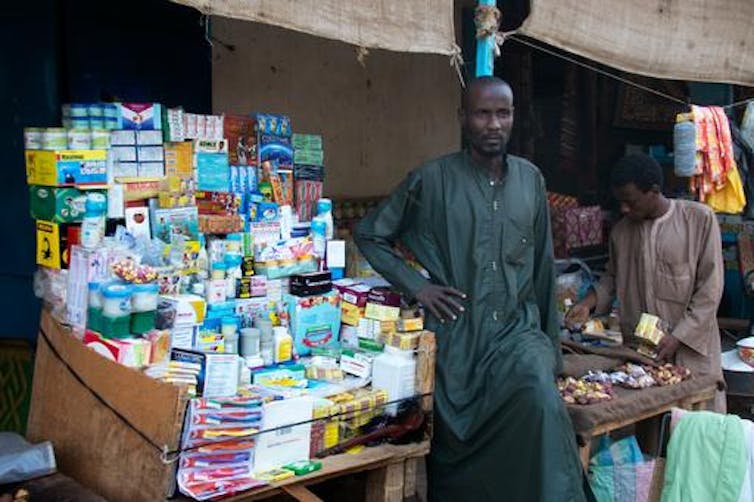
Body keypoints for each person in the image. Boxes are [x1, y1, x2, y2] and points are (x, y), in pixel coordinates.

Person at [354, 77, 588, 501]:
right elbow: (370, 234)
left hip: (517, 333)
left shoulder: (530, 180)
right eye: (482, 114)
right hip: (458, 336)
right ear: (463, 118)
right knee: (454, 444)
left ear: (513, 117)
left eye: (503, 113)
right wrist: (419, 288)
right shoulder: (432, 179)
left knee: (539, 401)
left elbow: (541, 268)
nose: (493, 124)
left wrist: (552, 354)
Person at [566, 153, 725, 411]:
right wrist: (587, 304)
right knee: (648, 422)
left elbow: (710, 290)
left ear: (654, 191)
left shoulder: (699, 220)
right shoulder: (621, 232)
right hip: (643, 352)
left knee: (697, 423)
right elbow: (612, 278)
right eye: (620, 202)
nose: (624, 209)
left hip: (692, 352)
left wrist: (678, 336)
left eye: (630, 201)